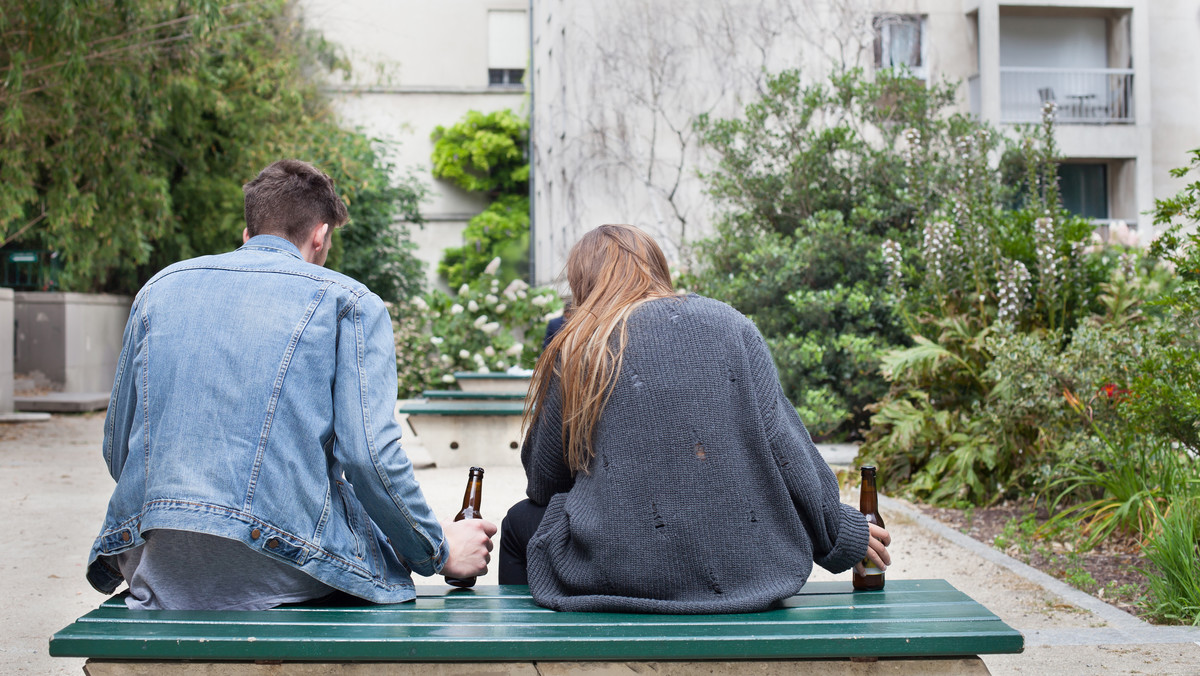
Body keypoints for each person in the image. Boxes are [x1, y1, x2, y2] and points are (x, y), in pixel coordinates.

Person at [86, 159, 496, 610]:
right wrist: (439, 551)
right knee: (379, 548)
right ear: (320, 235)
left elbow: (118, 451)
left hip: (161, 568)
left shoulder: (158, 290)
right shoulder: (349, 302)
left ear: (248, 235)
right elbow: (369, 458)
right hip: (285, 572)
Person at [499, 224, 890, 613]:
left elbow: (544, 482)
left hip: (621, 569)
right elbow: (786, 448)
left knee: (519, 522)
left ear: (582, 282)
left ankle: (529, 655)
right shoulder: (732, 324)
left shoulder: (580, 344)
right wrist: (839, 534)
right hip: (748, 572)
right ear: (656, 267)